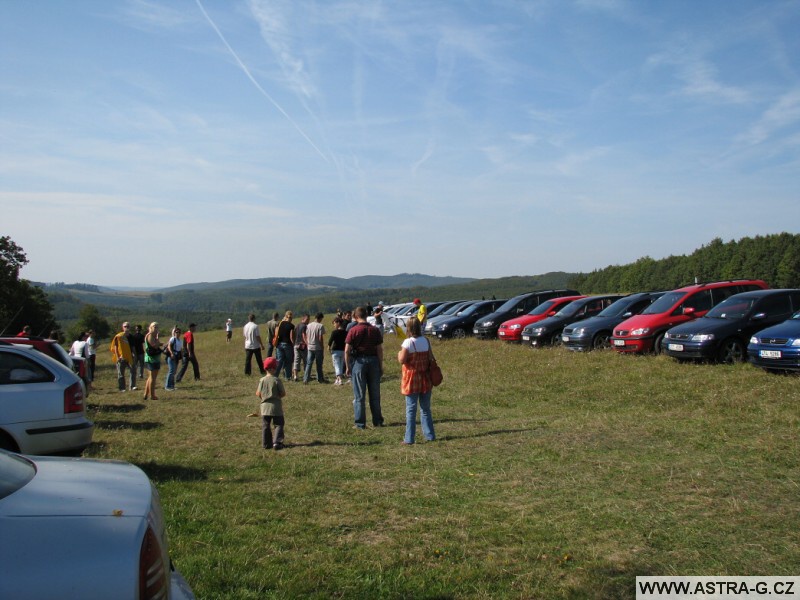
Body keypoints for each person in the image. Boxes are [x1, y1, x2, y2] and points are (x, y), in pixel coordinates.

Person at [397, 316, 436, 445]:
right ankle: (430, 435)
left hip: (411, 379)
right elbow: (431, 357)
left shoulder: (408, 342)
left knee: (411, 409)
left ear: (408, 328)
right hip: (425, 377)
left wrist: (398, 353)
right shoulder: (426, 340)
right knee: (425, 409)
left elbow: (402, 360)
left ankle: (409, 438)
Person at [345, 306, 384, 429]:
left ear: (356, 317)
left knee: (359, 395)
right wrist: (380, 364)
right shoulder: (375, 330)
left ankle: (360, 423)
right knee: (375, 394)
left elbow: (347, 350)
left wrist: (347, 366)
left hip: (359, 362)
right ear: (366, 316)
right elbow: (379, 350)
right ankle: (377, 421)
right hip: (373, 361)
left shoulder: (353, 330)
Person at [255, 357, 287, 450]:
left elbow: (258, 393)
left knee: (266, 425)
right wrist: (277, 397)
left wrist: (264, 398)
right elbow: (283, 393)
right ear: (273, 368)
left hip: (264, 407)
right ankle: (277, 442)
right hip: (276, 406)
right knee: (279, 424)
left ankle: (266, 443)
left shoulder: (262, 380)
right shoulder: (276, 380)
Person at [303, 313, 327, 384]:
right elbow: (320, 338)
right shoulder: (320, 326)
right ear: (320, 318)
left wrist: (308, 343)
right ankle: (320, 379)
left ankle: (305, 379)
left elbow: (306, 335)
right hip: (318, 347)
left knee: (309, 364)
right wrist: (322, 346)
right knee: (319, 364)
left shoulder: (308, 325)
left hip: (310, 347)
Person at [110, 322, 134, 392]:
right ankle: (122, 388)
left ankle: (132, 386)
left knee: (133, 371)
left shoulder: (131, 337)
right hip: (121, 357)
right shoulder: (119, 336)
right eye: (125, 326)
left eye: (128, 326)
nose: (126, 328)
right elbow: (115, 347)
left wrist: (133, 354)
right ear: (122, 327)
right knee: (121, 374)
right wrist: (118, 357)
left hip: (129, 357)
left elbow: (132, 347)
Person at [143, 322, 162, 400]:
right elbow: (154, 346)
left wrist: (158, 340)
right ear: (150, 328)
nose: (156, 328)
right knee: (153, 378)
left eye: (157, 327)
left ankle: (146, 394)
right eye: (154, 326)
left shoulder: (154, 336)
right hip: (151, 360)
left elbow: (156, 344)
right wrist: (158, 341)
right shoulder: (150, 335)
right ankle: (152, 395)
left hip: (154, 359)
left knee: (150, 377)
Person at [274, 311, 295, 380]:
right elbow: (291, 337)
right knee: (288, 361)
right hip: (287, 344)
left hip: (279, 344)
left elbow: (276, 333)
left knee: (279, 361)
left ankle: (275, 375)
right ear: (286, 317)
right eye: (290, 317)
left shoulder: (280, 323)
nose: (290, 319)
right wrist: (293, 344)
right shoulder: (291, 326)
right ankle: (288, 377)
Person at [328, 318, 347, 386]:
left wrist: (329, 347)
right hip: (343, 350)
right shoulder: (345, 332)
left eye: (334, 323)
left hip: (336, 350)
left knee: (336, 365)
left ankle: (339, 378)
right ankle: (337, 379)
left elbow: (330, 341)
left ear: (338, 323)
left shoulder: (334, 332)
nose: (334, 325)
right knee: (341, 364)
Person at [165, 326, 183, 391]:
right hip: (171, 356)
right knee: (171, 370)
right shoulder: (173, 339)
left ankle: (172, 385)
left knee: (174, 371)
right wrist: (171, 353)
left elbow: (181, 349)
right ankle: (167, 386)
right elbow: (169, 346)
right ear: (174, 333)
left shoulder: (180, 341)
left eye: (179, 332)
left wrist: (182, 356)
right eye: (176, 332)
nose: (177, 333)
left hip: (177, 357)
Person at [292, 314, 309, 382]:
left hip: (296, 345)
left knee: (296, 360)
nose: (308, 321)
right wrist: (308, 343)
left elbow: (293, 334)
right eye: (307, 319)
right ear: (303, 319)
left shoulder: (297, 325)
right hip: (302, 345)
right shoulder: (304, 326)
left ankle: (295, 375)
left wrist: (294, 342)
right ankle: (306, 375)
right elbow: (304, 335)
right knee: (305, 361)